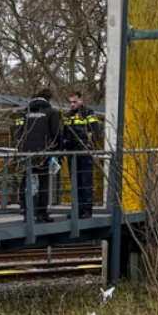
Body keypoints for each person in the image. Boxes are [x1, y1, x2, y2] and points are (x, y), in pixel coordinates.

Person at [14, 88, 61, 223]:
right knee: (43, 182)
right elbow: (56, 133)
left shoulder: (26, 113)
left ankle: (27, 211)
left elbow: (20, 132)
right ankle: (41, 213)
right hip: (44, 152)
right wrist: (58, 148)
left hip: (27, 152)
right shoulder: (50, 113)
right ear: (48, 99)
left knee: (28, 180)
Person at [60, 91, 101, 218]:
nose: (72, 104)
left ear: (81, 100)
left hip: (84, 152)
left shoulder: (88, 113)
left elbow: (95, 130)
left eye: (74, 102)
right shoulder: (69, 115)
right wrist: (64, 145)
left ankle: (87, 210)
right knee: (75, 182)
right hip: (73, 152)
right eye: (71, 102)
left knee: (86, 181)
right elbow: (65, 132)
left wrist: (90, 145)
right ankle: (76, 210)